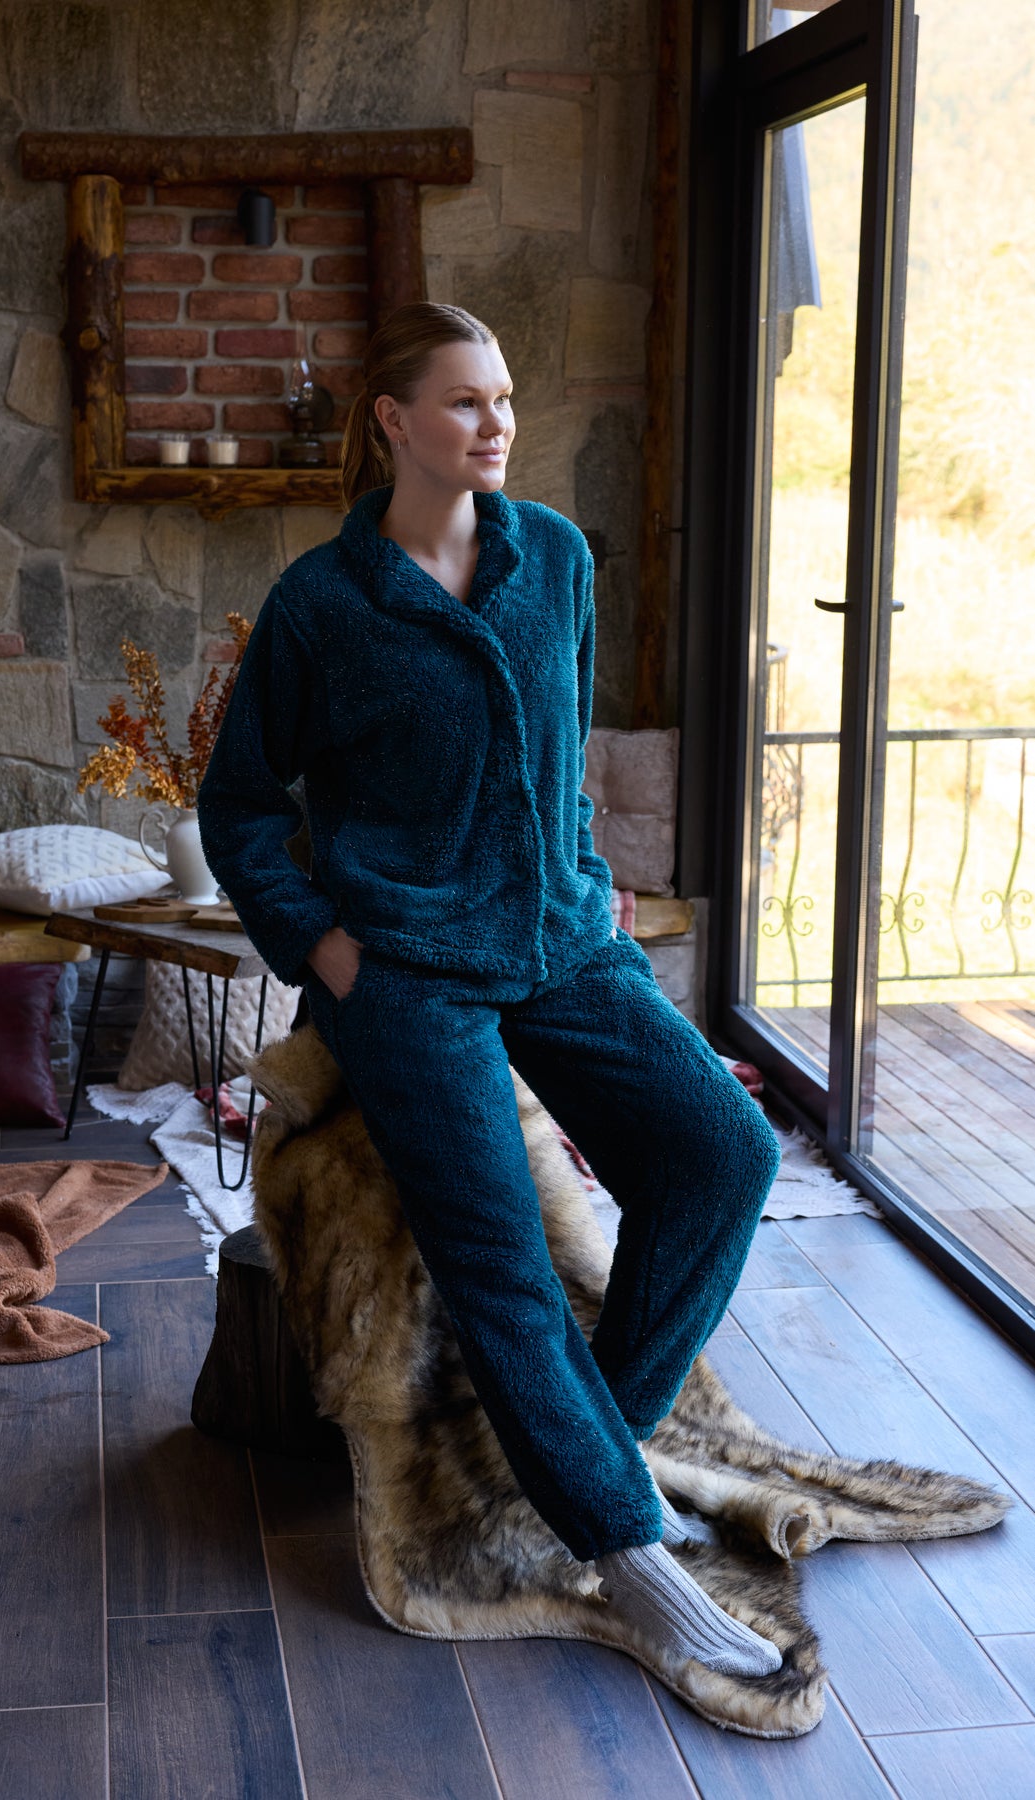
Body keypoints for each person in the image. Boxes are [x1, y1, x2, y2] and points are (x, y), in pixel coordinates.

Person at [197, 301, 784, 1687]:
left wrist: (590, 884)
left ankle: (586, 1458)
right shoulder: (323, 605)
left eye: (505, 397)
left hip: (563, 941)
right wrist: (324, 950)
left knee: (724, 1153)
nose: (496, 422)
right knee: (500, 1256)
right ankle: (629, 1553)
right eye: (464, 400)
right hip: (404, 975)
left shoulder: (556, 559)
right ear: (392, 421)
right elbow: (239, 803)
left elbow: (561, 759)